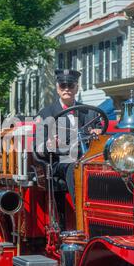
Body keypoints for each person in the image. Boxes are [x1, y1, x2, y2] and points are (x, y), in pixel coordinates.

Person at [35, 69, 102, 209]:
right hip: (61, 159)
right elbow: (38, 149)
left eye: (70, 86)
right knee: (75, 167)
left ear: (76, 88)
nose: (66, 89)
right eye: (62, 86)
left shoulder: (90, 112)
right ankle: (81, 213)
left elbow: (101, 134)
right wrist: (49, 144)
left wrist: (99, 132)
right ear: (57, 88)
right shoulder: (46, 113)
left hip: (90, 156)